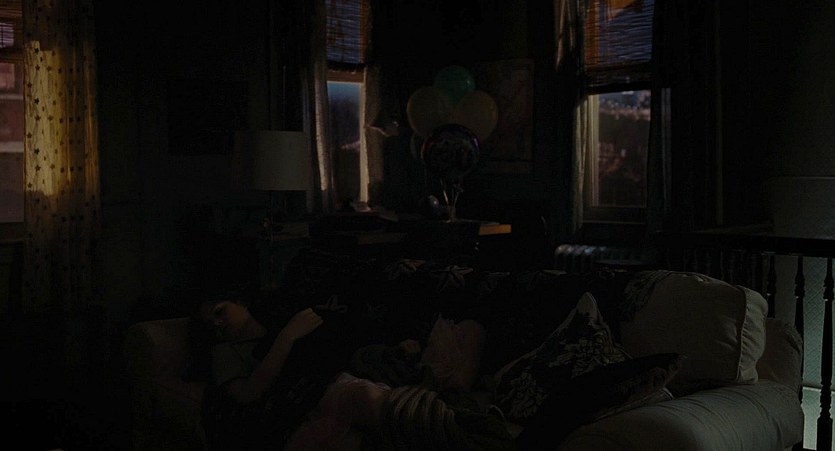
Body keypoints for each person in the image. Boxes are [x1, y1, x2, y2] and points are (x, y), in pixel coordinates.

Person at [194, 286, 509, 451]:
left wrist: (393, 346)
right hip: (317, 393)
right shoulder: (226, 352)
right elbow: (247, 393)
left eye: (220, 312)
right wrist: (288, 336)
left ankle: (453, 401)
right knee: (370, 401)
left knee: (471, 329)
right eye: (211, 325)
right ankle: (470, 426)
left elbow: (347, 334)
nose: (218, 325)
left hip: (358, 366)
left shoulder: (279, 311)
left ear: (240, 301)